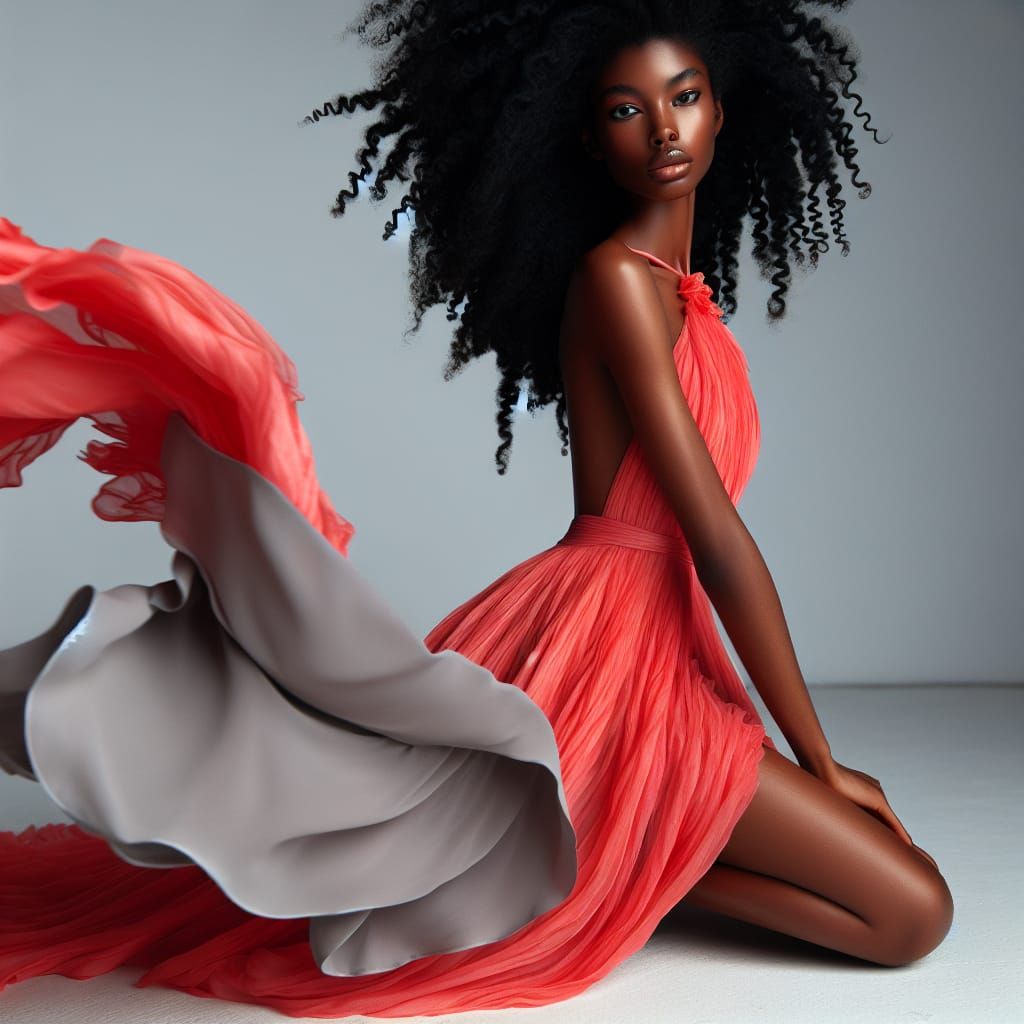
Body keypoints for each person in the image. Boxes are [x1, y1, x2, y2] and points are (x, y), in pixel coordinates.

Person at [0, 0, 953, 1018]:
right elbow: (713, 537)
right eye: (626, 109)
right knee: (913, 913)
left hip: (665, 643)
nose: (662, 130)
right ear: (588, 138)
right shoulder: (616, 282)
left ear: (722, 109)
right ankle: (606, 871)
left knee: (905, 905)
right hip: (604, 645)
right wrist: (822, 760)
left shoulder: (683, 294)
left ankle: (608, 864)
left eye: (683, 97)